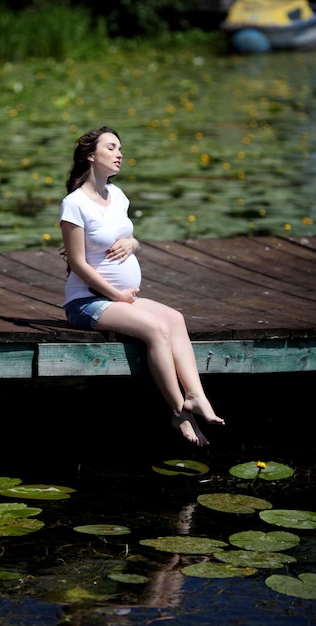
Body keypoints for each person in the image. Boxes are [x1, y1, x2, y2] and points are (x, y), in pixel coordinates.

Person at [59, 126, 225, 446]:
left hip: (117, 299)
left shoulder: (117, 195)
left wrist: (132, 245)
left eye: (120, 147)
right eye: (111, 147)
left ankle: (195, 396)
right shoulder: (74, 204)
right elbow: (78, 263)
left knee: (174, 318)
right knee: (156, 331)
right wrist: (116, 294)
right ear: (91, 156)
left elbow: (128, 238)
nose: (120, 153)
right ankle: (179, 411)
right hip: (88, 302)